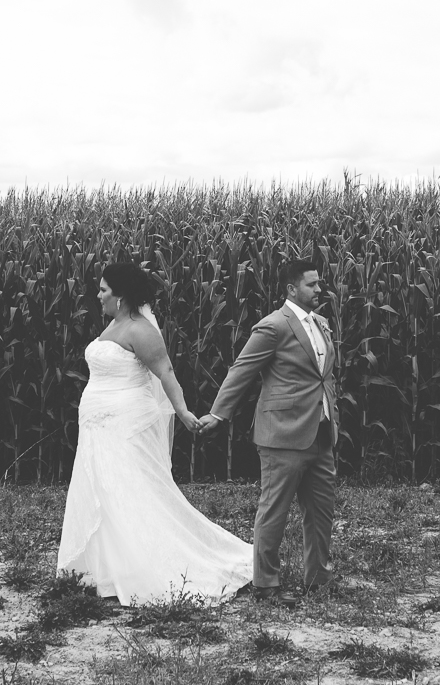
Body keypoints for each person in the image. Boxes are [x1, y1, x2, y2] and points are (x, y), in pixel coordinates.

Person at [56, 262, 252, 604]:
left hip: (127, 422)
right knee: (103, 490)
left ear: (121, 297)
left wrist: (183, 411)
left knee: (130, 491)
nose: (98, 296)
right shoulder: (113, 326)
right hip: (97, 424)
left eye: (104, 290)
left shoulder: (140, 330)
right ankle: (106, 570)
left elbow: (165, 372)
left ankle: (149, 566)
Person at [199, 258, 340, 598]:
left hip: (320, 432)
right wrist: (219, 414)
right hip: (282, 433)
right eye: (312, 285)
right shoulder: (273, 326)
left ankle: (317, 578)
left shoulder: (321, 323)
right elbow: (241, 371)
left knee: (321, 512)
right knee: (274, 511)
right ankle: (267, 583)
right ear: (292, 289)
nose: (319, 290)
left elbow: (323, 376)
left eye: (319, 283)